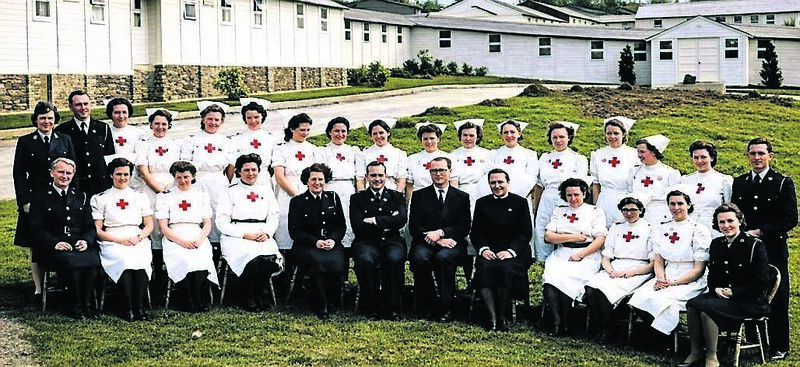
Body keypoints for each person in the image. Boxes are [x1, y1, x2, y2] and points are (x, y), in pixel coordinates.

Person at [731, 137, 797, 360]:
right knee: (749, 291)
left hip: (773, 248)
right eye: (752, 153)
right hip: (747, 249)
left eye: (761, 153)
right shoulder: (740, 182)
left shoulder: (782, 182)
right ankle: (753, 341)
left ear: (770, 155)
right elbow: (736, 214)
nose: (757, 157)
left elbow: (791, 218)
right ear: (747, 156)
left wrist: (761, 232)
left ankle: (779, 346)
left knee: (777, 296)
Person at [680, 203, 770, 367]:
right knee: (692, 305)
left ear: (740, 221)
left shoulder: (754, 245)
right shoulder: (717, 244)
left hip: (748, 300)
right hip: (721, 296)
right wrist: (716, 288)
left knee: (708, 310)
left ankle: (712, 357)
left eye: (730, 221)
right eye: (721, 222)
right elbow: (713, 276)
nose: (726, 225)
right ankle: (696, 351)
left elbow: (762, 281)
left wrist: (733, 292)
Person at [13, 101, 76, 301]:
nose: (46, 122)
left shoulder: (64, 140)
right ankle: (39, 288)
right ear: (36, 120)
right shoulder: (25, 141)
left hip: (60, 197)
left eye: (50, 118)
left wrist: (73, 197)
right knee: (35, 241)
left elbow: (73, 169)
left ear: (55, 120)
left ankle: (65, 281)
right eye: (42, 118)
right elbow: (19, 173)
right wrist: (24, 201)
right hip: (35, 199)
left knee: (62, 235)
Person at [628, 188, 710, 336]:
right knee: (639, 297)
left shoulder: (699, 229)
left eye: (680, 203)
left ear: (689, 205)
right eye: (672, 204)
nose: (676, 208)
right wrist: (661, 279)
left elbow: (699, 269)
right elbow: (658, 259)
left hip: (689, 278)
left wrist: (674, 283)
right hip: (666, 274)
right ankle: (662, 335)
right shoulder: (662, 227)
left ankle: (663, 336)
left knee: (661, 300)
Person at [29, 158, 100, 319]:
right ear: (51, 173)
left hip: (77, 244)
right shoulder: (40, 197)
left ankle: (88, 306)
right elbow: (35, 229)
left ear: (73, 175)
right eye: (61, 172)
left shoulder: (81, 196)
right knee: (71, 263)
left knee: (93, 261)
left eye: (69, 173)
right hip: (52, 248)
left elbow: (89, 226)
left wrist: (85, 241)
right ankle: (75, 306)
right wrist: (55, 243)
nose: (65, 176)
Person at [216, 153, 284, 311]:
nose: (251, 173)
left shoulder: (265, 190)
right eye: (246, 170)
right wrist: (243, 234)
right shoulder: (229, 191)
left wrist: (267, 232)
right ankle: (247, 295)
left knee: (269, 258)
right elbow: (221, 221)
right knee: (251, 257)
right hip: (236, 235)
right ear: (239, 171)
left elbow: (273, 215)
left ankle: (258, 292)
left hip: (261, 233)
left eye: (254, 169)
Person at [541, 177, 607, 336]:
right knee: (550, 278)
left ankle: (567, 321)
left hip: (587, 254)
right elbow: (548, 237)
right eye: (569, 195)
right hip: (562, 252)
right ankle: (557, 322)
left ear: (584, 193)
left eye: (576, 194)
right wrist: (573, 237)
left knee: (568, 279)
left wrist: (581, 254)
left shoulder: (595, 211)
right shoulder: (560, 210)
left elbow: (600, 239)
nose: (573, 199)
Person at [584, 194, 654, 342]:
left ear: (641, 210)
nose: (629, 213)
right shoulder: (616, 227)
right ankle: (599, 326)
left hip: (638, 269)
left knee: (605, 291)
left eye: (633, 209)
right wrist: (610, 270)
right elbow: (606, 255)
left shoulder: (650, 229)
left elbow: (652, 263)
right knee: (591, 288)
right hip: (615, 266)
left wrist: (629, 273)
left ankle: (607, 329)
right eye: (625, 210)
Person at [91, 158, 154, 322]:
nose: (122, 178)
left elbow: (149, 225)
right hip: (112, 238)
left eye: (126, 174)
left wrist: (139, 237)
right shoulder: (100, 198)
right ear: (111, 175)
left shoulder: (140, 196)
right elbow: (97, 230)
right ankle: (127, 307)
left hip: (136, 236)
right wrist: (119, 241)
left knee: (141, 260)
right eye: (118, 174)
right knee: (124, 260)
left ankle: (139, 307)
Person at [408, 157, 471, 322]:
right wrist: (435, 239)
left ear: (450, 171)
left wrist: (442, 233)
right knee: (420, 258)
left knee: (443, 258)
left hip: (452, 243)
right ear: (430, 173)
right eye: (434, 171)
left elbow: (463, 226)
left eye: (442, 170)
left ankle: (447, 306)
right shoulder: (419, 195)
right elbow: (414, 226)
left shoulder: (461, 197)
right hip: (426, 242)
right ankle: (429, 303)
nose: (438, 174)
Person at [471, 169, 532, 331]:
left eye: (500, 182)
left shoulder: (520, 202)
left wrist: (510, 251)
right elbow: (476, 232)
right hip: (490, 251)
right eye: (493, 183)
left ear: (508, 183)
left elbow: (525, 232)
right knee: (485, 268)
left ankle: (502, 316)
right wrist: (484, 249)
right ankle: (491, 318)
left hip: (513, 252)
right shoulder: (482, 203)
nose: (497, 186)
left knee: (505, 269)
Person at [155, 161, 219, 312]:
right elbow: (163, 227)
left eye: (186, 177)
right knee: (185, 259)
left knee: (202, 258)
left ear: (193, 176)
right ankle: (188, 299)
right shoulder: (165, 196)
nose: (182, 181)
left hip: (197, 234)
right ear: (174, 177)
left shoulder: (201, 195)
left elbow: (207, 224)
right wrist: (181, 241)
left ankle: (197, 297)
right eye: (179, 177)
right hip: (174, 236)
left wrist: (200, 239)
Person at [349, 161, 408, 320]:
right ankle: (371, 307)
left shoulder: (396, 196)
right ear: (367, 177)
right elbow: (357, 225)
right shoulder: (357, 198)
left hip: (392, 240)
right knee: (365, 260)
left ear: (386, 176)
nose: (377, 179)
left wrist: (374, 220)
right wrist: (389, 220)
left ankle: (392, 307)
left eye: (380, 175)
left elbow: (401, 220)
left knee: (394, 259)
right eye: (373, 175)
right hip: (366, 241)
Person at [288, 163, 347, 320]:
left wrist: (333, 240)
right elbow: (295, 231)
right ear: (306, 181)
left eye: (320, 179)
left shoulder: (333, 198)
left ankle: (333, 300)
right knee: (318, 262)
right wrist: (315, 242)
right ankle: (321, 304)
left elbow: (341, 225)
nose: (317, 183)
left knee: (335, 261)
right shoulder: (298, 202)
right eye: (313, 179)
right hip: (307, 246)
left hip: (331, 244)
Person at [135, 109, 180, 304]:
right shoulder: (144, 144)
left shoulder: (175, 144)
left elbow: (181, 168)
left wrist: (173, 191)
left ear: (169, 125)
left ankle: (172, 274)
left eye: (164, 124)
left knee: (171, 226)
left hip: (173, 190)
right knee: (154, 230)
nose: (160, 127)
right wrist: (160, 191)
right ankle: (156, 278)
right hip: (152, 191)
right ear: (151, 124)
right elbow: (143, 170)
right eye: (157, 123)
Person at [180, 102, 236, 243]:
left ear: (222, 121)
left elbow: (230, 167)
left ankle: (218, 244)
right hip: (197, 182)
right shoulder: (192, 140)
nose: (213, 123)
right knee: (198, 212)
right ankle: (199, 242)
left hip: (219, 182)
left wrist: (230, 185)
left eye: (217, 119)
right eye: (210, 119)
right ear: (203, 119)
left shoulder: (227, 141)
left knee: (218, 212)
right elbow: (185, 165)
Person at [533, 122, 589, 261]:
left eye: (562, 137)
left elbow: (580, 186)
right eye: (555, 137)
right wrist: (536, 207)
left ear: (569, 137)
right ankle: (542, 261)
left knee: (566, 229)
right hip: (547, 199)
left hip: (568, 199)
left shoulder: (578, 159)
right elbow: (539, 185)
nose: (558, 140)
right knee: (542, 229)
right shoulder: (544, 158)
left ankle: (564, 260)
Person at [54, 90, 115, 197]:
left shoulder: (103, 128)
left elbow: (109, 157)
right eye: (78, 104)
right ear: (70, 107)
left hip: (101, 186)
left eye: (86, 104)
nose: (83, 107)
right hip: (76, 187)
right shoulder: (62, 130)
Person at [272, 112, 318, 249]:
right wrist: (297, 197)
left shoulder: (313, 149)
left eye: (308, 130)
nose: (305, 133)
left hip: (309, 191)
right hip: (287, 192)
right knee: (286, 223)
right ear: (292, 129)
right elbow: (279, 177)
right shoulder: (281, 149)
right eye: (302, 130)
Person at [316, 117, 359, 247]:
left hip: (349, 189)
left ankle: (349, 249)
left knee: (349, 219)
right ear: (329, 132)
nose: (340, 134)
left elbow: (359, 175)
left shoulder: (353, 151)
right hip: (330, 188)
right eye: (336, 131)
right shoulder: (322, 151)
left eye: (343, 131)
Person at [590, 116, 638, 227]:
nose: (612, 137)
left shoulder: (634, 154)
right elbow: (596, 184)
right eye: (609, 133)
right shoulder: (598, 154)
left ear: (624, 134)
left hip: (625, 200)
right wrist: (596, 205)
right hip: (604, 201)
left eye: (616, 133)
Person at [680, 140, 732, 237]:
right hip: (689, 228)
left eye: (703, 157)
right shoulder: (685, 180)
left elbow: (729, 208)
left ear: (711, 158)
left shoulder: (723, 180)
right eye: (696, 157)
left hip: (713, 229)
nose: (699, 161)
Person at [630, 134, 680, 225]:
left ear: (653, 152)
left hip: (659, 215)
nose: (639, 155)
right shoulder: (635, 170)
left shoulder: (670, 173)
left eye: (642, 152)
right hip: (637, 214)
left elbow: (675, 198)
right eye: (638, 152)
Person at [231, 99, 278, 190]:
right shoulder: (236, 139)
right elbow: (232, 166)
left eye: (256, 117)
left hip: (264, 180)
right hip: (243, 181)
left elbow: (273, 166)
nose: (253, 121)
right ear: (244, 118)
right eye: (249, 118)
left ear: (262, 117)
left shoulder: (271, 139)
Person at [405, 123, 456, 200]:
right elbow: (409, 185)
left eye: (432, 138)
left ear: (438, 139)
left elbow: (453, 182)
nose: (429, 142)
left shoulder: (449, 157)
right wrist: (408, 203)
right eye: (425, 139)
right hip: (419, 198)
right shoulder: (412, 159)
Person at [490, 120, 538, 198]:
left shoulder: (530, 155)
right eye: (505, 132)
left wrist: (513, 197)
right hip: (497, 197)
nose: (509, 135)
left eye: (512, 132)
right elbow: (489, 177)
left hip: (521, 197)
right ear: (501, 135)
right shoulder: (493, 154)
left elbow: (531, 179)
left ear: (519, 133)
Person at [355, 119, 407, 191]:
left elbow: (402, 180)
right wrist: (363, 196)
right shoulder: (363, 154)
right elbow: (360, 180)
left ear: (388, 133)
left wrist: (397, 195)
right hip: (370, 192)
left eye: (381, 133)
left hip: (392, 191)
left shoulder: (399, 153)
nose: (378, 136)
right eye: (375, 134)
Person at [106, 97, 143, 188]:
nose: (121, 116)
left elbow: (140, 156)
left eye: (124, 112)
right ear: (110, 114)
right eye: (117, 112)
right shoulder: (106, 132)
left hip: (133, 177)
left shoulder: (138, 132)